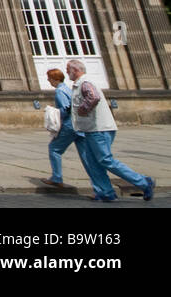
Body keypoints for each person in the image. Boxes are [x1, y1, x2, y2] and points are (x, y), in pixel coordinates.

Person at [67, 59, 155, 202]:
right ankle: (106, 192)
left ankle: (144, 182)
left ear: (75, 70)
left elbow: (93, 97)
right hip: (90, 129)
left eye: (68, 69)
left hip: (99, 129)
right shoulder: (79, 85)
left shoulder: (85, 83)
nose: (66, 72)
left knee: (105, 160)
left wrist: (83, 109)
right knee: (93, 162)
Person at [42, 67, 78, 188]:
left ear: (54, 79)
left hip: (69, 125)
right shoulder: (67, 89)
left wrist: (52, 112)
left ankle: (57, 178)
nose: (48, 81)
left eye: (49, 79)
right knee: (85, 154)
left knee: (54, 148)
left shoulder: (59, 91)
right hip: (78, 124)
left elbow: (66, 109)